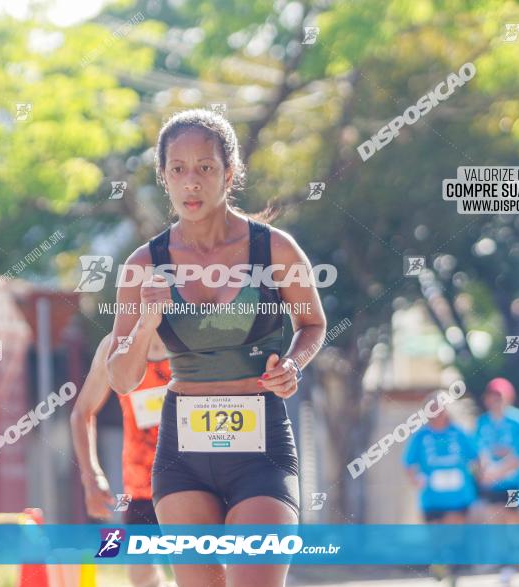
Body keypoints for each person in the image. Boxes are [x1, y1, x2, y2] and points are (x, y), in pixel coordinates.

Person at [106, 109, 327, 587]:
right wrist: (147, 324)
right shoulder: (145, 263)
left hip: (261, 446)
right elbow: (121, 377)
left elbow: (312, 324)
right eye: (178, 169)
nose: (192, 182)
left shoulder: (276, 250)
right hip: (182, 449)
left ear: (229, 173)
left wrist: (293, 363)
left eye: (205, 167)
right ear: (163, 177)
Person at [71, 334, 172, 587]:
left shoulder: (193, 334)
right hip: (140, 487)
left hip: (195, 479)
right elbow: (81, 413)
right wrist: (91, 475)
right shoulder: (115, 346)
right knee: (141, 577)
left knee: (203, 573)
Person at [403, 391, 478, 586]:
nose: (436, 411)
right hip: (432, 497)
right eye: (431, 408)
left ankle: (453, 572)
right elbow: (409, 463)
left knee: (453, 535)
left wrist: (476, 475)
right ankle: (440, 563)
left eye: (439, 407)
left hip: (457, 496)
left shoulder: (459, 432)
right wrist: (416, 479)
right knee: (437, 537)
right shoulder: (421, 436)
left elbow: (476, 457)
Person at [475, 377, 519, 522]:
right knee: (492, 518)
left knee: (514, 519)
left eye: (499, 396)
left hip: (514, 481)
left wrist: (501, 468)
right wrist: (486, 468)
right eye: (492, 396)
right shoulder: (482, 422)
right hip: (491, 482)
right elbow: (479, 449)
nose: (495, 400)